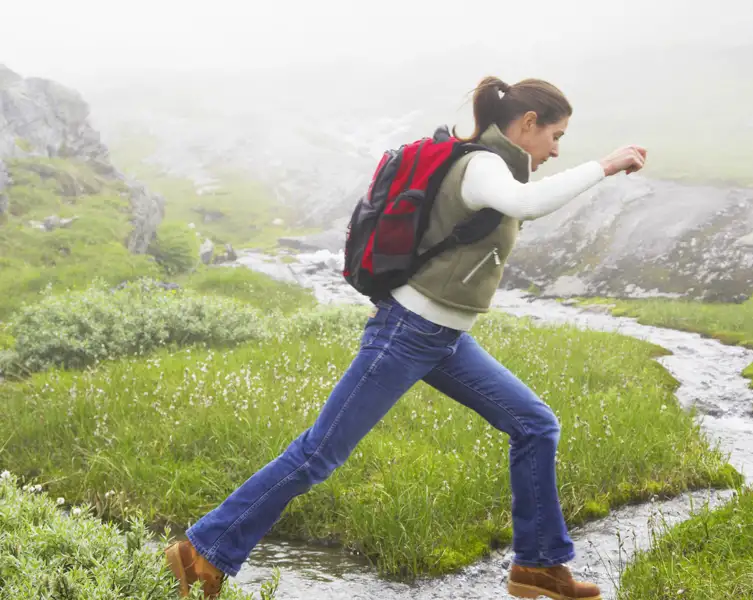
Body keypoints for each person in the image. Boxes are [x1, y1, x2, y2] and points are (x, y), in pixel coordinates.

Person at [165, 75, 646, 600]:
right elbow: (526, 204)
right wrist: (605, 164)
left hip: (445, 340)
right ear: (527, 124)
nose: (557, 149)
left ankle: (538, 565)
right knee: (317, 455)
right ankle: (201, 550)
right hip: (407, 333)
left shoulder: (502, 168)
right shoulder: (483, 165)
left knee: (534, 425)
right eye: (555, 135)